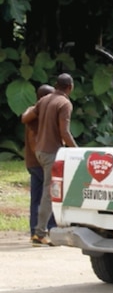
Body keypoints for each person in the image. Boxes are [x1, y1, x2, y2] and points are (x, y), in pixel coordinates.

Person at [32, 73, 78, 246]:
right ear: (70, 87)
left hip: (40, 150)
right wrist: (77, 151)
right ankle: (40, 233)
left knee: (49, 191)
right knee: (49, 194)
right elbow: (64, 132)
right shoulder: (64, 103)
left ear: (56, 84)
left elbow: (31, 116)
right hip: (52, 152)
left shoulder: (44, 100)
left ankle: (52, 227)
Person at [21, 84, 55, 242]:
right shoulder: (38, 116)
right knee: (49, 195)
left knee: (36, 198)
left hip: (31, 162)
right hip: (40, 162)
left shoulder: (33, 112)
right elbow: (34, 140)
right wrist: (43, 160)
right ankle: (49, 230)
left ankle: (35, 232)